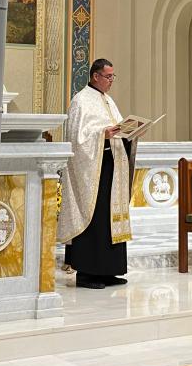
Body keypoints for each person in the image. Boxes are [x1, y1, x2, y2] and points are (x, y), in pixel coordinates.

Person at [57, 59, 137, 289]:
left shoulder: (108, 101)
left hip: (111, 167)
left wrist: (130, 131)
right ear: (95, 76)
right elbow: (76, 138)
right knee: (96, 218)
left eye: (113, 76)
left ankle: (108, 271)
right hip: (92, 172)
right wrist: (101, 135)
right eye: (108, 76)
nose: (111, 81)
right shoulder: (81, 101)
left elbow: (118, 128)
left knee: (109, 221)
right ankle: (87, 273)